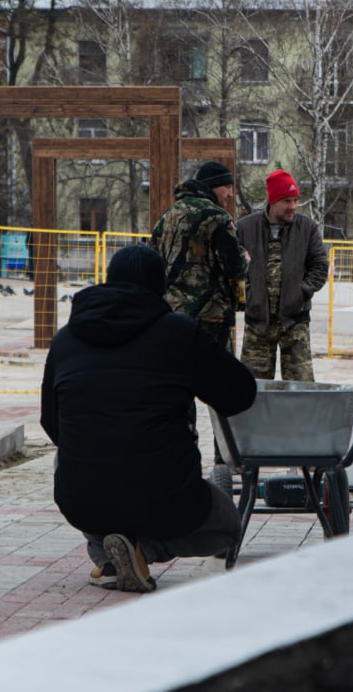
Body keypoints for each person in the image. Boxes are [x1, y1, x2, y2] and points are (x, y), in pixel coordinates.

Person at [40, 245, 257, 593]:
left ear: (108, 282)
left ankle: (113, 559)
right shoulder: (179, 333)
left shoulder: (65, 340)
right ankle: (145, 551)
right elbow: (240, 395)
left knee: (67, 461)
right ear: (160, 288)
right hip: (167, 496)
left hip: (84, 498)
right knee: (228, 528)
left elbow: (52, 424)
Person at [237, 169, 329, 381]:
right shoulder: (244, 228)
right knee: (252, 391)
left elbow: (320, 266)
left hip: (295, 322)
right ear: (272, 201)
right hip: (257, 323)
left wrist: (302, 291)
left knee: (302, 390)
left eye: (296, 200)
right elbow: (234, 269)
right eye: (287, 201)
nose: (293, 207)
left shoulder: (307, 228)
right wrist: (247, 296)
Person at [148, 160, 248, 351]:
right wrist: (246, 258)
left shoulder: (168, 215)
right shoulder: (218, 217)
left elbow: (152, 261)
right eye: (227, 187)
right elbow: (234, 267)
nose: (230, 193)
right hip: (211, 318)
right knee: (214, 376)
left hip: (172, 316)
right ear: (213, 186)